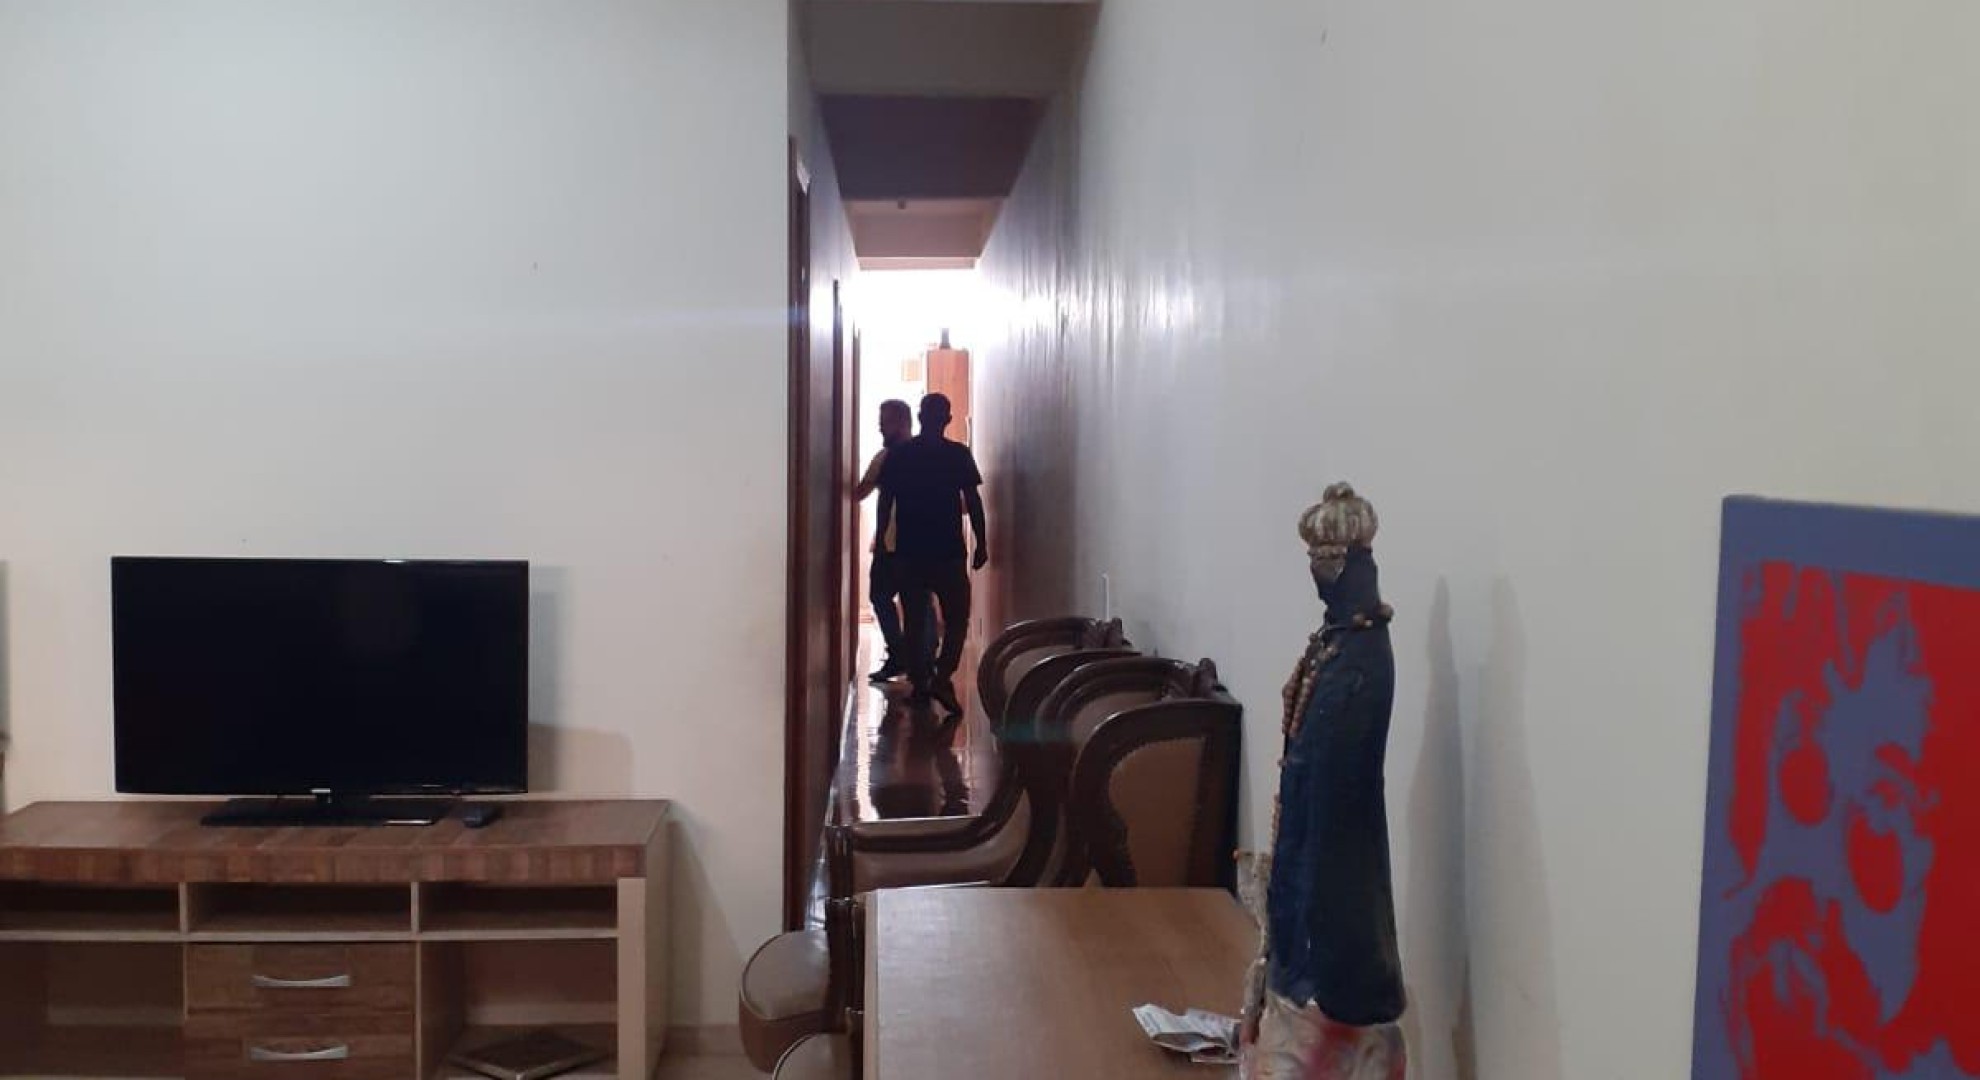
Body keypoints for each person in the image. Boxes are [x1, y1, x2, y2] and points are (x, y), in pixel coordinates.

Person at [875, 393, 987, 715]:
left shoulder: (900, 455)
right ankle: (940, 676)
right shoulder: (957, 455)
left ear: (921, 417)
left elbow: (886, 500)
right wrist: (981, 542)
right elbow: (973, 501)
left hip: (910, 551)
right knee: (957, 618)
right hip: (947, 550)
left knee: (913, 621)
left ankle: (922, 684)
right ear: (947, 420)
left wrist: (882, 539)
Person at [853, 399, 934, 683]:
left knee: (885, 597)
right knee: (919, 602)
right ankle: (921, 660)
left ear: (902, 423)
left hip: (895, 544)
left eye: (884, 421)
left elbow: (860, 492)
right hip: (917, 543)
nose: (880, 427)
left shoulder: (886, 457)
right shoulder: (926, 455)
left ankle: (904, 656)